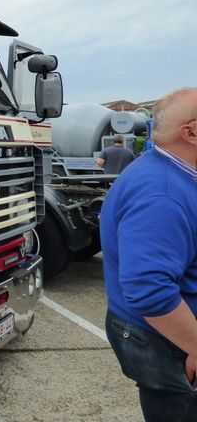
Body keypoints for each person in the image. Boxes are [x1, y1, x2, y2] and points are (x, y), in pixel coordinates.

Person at [101, 88, 197, 421]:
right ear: (191, 132)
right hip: (165, 341)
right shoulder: (162, 193)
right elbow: (150, 291)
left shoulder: (172, 173)